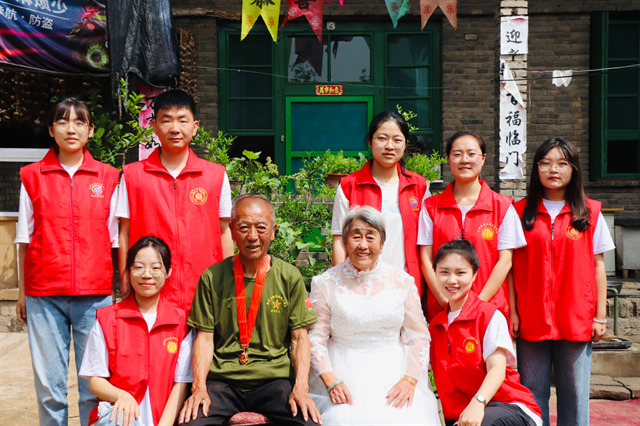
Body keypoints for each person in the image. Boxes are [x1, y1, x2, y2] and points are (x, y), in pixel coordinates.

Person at [14, 98, 119, 426]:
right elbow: (24, 237)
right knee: (49, 386)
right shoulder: (32, 176)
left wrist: (119, 291)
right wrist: (21, 291)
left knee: (94, 383)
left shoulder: (109, 177)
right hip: (44, 295)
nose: (70, 128)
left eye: (79, 122)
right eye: (63, 121)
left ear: (90, 130)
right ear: (51, 129)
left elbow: (116, 240)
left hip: (96, 293)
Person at [179, 195, 321, 426]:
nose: (252, 236)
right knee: (190, 423)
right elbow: (204, 339)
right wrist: (198, 389)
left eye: (261, 228)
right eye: (244, 228)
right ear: (233, 231)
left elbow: (299, 339)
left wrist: (301, 389)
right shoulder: (212, 277)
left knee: (308, 422)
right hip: (223, 382)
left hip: (274, 380)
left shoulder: (289, 277)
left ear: (273, 231)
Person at [510, 138, 614, 426]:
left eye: (562, 163)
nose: (553, 169)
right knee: (532, 394)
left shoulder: (590, 212)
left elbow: (598, 265)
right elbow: (508, 268)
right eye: (545, 163)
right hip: (532, 318)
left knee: (575, 394)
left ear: (574, 169)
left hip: (576, 317)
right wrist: (513, 312)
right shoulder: (519, 213)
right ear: (536, 169)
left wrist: (600, 316)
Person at [309, 206, 440, 425]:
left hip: (394, 370)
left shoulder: (402, 281)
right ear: (344, 241)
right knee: (342, 418)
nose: (363, 245)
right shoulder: (325, 283)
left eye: (371, 237)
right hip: (342, 370)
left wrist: (409, 379)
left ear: (382, 242)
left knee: (406, 417)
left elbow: (418, 336)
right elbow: (316, 337)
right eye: (355, 236)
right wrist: (330, 380)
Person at [116, 89, 234, 310]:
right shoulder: (133, 176)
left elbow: (224, 230)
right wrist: (125, 276)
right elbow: (124, 231)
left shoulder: (216, 175)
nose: (175, 129)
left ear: (195, 127)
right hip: (151, 289)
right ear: (154, 127)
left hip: (205, 288)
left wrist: (230, 279)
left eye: (182, 120)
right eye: (166, 120)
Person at [80, 236, 194, 426]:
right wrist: (122, 395)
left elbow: (180, 385)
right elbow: (96, 381)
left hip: (164, 419)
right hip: (118, 419)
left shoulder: (181, 322)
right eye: (139, 267)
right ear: (129, 271)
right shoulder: (108, 318)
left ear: (168, 272)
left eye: (156, 268)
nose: (147, 274)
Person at [430, 239, 542, 426]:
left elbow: (497, 369)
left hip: (507, 406)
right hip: (462, 416)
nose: (452, 280)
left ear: (474, 275)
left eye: (460, 273)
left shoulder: (488, 315)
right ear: (435, 274)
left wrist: (478, 402)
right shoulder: (435, 326)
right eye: (444, 272)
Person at [418, 130, 526, 322]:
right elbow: (426, 258)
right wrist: (445, 302)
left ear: (483, 158)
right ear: (449, 159)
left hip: (489, 309)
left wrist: (477, 305)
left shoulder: (502, 207)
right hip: (443, 311)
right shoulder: (431, 207)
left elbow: (505, 262)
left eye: (471, 153)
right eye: (457, 154)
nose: (464, 160)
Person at [331, 111, 430, 297]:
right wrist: (340, 286)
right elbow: (339, 240)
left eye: (397, 140)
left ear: (405, 144)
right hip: (359, 286)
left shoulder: (419, 187)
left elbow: (426, 244)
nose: (389, 146)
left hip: (405, 286)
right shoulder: (349, 186)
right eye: (382, 138)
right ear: (370, 141)